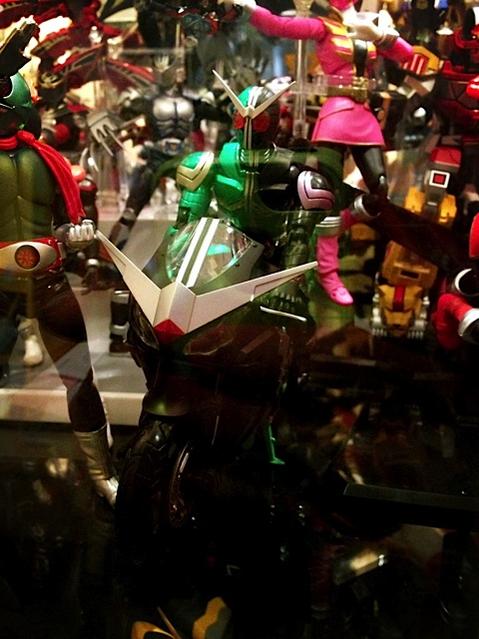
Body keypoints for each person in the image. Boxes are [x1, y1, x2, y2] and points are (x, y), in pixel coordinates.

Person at [0, 23, 118, 506]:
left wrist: (77, 234)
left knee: (80, 379)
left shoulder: (47, 160)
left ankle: (102, 473)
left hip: (49, 282)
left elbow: (70, 219)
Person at [233, 0, 413, 305]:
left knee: (379, 191)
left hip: (364, 116)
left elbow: (406, 55)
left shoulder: (374, 23)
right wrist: (250, 10)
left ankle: (337, 226)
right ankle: (328, 273)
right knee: (323, 195)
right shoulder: (324, 27)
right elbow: (279, 26)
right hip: (335, 116)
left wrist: (379, 35)